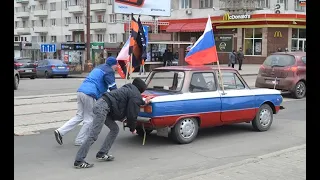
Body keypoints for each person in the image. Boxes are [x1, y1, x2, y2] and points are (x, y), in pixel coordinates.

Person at [73, 78, 150, 169]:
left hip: (102, 106)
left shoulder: (129, 89)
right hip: (103, 108)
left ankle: (102, 153)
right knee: (93, 135)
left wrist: (144, 102)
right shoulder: (135, 94)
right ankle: (79, 160)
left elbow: (130, 103)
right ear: (140, 89)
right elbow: (132, 113)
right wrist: (132, 128)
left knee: (115, 129)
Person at [54, 57, 118, 146]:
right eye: (116, 65)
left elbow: (101, 86)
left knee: (79, 115)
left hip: (81, 91)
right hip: (89, 94)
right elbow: (113, 88)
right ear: (114, 65)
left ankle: (60, 131)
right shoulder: (109, 71)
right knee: (89, 119)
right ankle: (80, 140)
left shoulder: (99, 68)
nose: (117, 67)